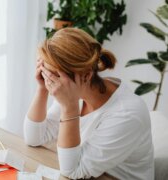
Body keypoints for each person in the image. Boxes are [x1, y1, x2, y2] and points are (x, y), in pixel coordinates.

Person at [24, 27, 154, 179]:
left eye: (53, 77)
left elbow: (72, 171)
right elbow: (34, 138)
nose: (51, 84)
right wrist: (42, 89)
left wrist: (69, 107)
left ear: (85, 76)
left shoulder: (127, 114)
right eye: (45, 73)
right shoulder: (74, 89)